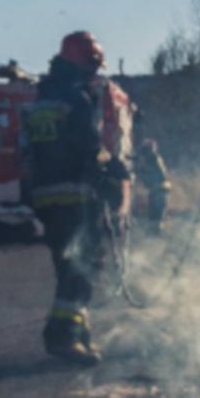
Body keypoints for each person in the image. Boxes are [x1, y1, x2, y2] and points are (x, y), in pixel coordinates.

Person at [22, 31, 130, 366]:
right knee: (81, 268)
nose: (96, 73)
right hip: (75, 197)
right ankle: (62, 336)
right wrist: (113, 170)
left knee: (69, 267)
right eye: (93, 65)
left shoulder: (40, 100)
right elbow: (88, 147)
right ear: (83, 63)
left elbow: (26, 153)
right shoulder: (77, 98)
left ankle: (79, 334)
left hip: (46, 198)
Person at [136, 137, 170, 234]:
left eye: (145, 150)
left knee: (157, 212)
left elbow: (162, 175)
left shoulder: (154, 159)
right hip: (156, 190)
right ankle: (153, 232)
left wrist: (142, 171)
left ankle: (157, 232)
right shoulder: (150, 159)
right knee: (153, 212)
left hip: (159, 189)